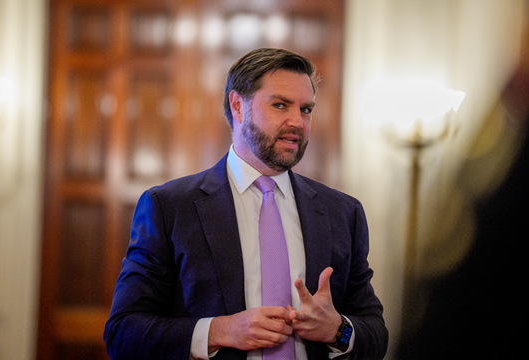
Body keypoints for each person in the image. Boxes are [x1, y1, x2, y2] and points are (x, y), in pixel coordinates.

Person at [104, 48, 388, 359]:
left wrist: (337, 330)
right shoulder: (169, 208)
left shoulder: (343, 214)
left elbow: (375, 334)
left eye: (306, 109)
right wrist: (219, 331)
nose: (297, 122)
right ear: (238, 106)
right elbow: (123, 334)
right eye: (281, 105)